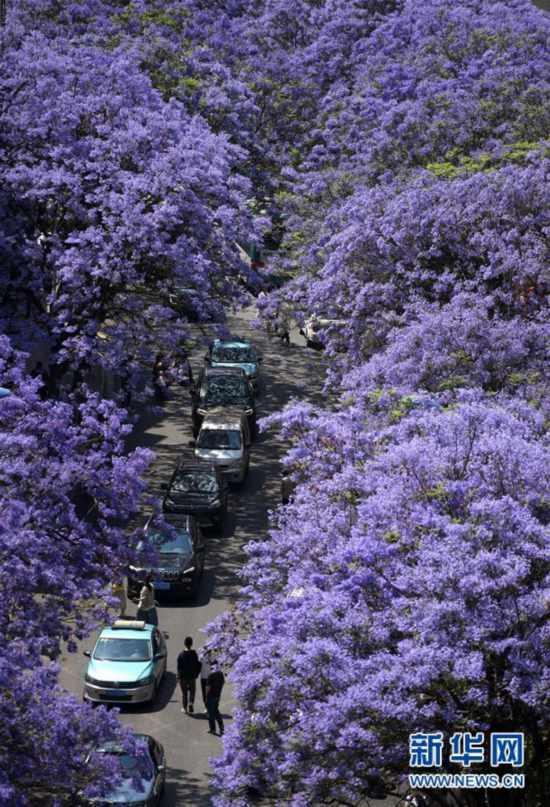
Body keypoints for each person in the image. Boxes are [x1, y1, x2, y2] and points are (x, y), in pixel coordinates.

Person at [177, 636, 201, 714]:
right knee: (192, 691)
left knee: (184, 693)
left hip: (183, 677)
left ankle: (184, 708)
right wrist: (196, 674)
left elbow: (179, 667)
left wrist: (178, 676)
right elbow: (198, 664)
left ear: (185, 644)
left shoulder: (181, 654)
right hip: (192, 677)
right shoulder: (194, 654)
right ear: (191, 644)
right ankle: (191, 703)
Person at [205, 660, 225, 736]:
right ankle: (221, 727)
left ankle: (212, 729)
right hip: (217, 695)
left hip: (211, 696)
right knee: (216, 711)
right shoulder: (220, 674)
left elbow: (207, 687)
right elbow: (223, 682)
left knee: (210, 713)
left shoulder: (211, 675)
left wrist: (206, 696)